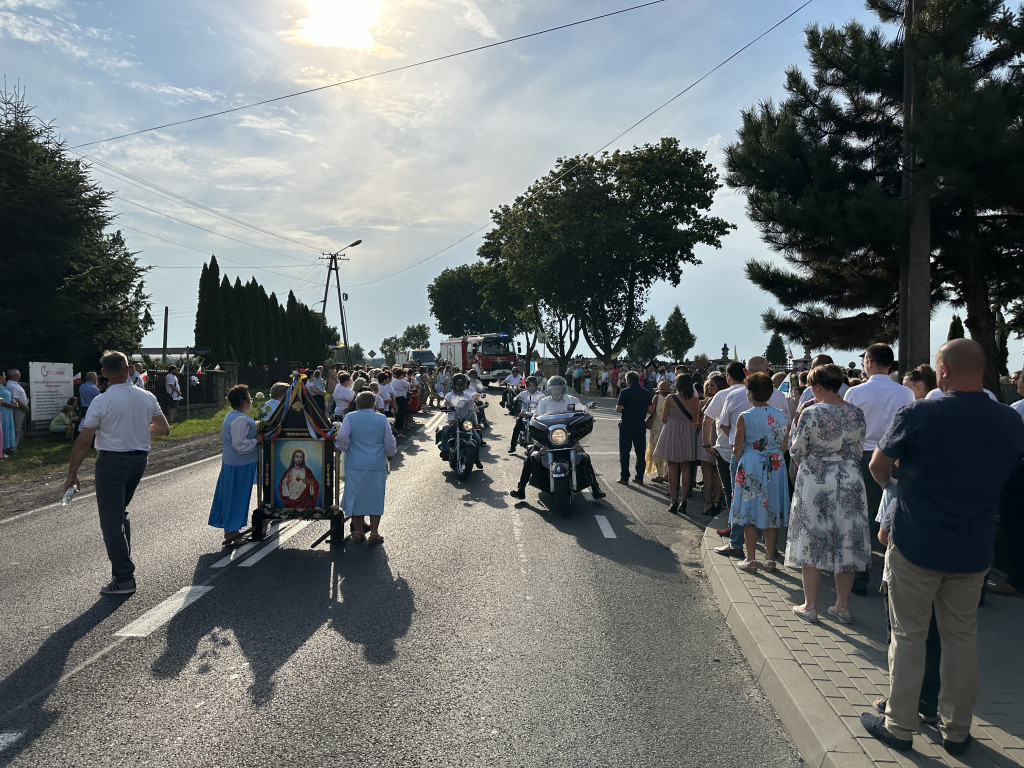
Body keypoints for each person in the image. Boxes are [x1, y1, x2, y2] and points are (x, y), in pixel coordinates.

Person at [859, 339, 1024, 755]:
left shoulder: (920, 412)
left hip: (917, 539)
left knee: (909, 635)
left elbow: (879, 465)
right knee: (961, 638)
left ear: (943, 371)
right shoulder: (1009, 421)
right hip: (973, 546)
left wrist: (892, 488)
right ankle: (957, 728)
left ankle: (899, 723)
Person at [63, 351, 170, 596]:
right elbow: (164, 429)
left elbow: (83, 440)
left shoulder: (101, 401)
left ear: (103, 373)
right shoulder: (147, 396)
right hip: (139, 460)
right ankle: (123, 567)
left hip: (112, 461)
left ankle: (123, 577)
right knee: (119, 513)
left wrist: (72, 473)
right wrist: (138, 432)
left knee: (110, 521)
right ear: (127, 370)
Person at [786, 364, 871, 623]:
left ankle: (810, 605)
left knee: (812, 536)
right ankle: (842, 606)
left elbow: (797, 450)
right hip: (849, 478)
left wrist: (814, 466)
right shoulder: (856, 413)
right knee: (846, 539)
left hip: (816, 478)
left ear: (818, 386)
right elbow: (858, 450)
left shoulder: (811, 412)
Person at [843, 343, 914, 595]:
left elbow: (848, 429)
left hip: (862, 455)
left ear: (870, 362)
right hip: (894, 457)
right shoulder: (905, 393)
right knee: (890, 516)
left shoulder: (855, 392)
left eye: (864, 362)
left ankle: (860, 575)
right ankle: (890, 576)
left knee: (860, 515)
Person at [730, 372, 790, 573]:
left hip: (752, 463)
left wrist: (747, 458)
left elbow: (737, 448)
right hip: (775, 463)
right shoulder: (782, 415)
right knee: (771, 509)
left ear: (750, 393)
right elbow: (784, 445)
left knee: (749, 509)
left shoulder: (745, 416)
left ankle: (751, 558)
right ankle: (770, 559)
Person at [509, 376, 606, 500]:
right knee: (530, 457)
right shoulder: (544, 402)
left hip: (568, 438)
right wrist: (530, 417)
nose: (556, 391)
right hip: (547, 439)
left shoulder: (572, 400)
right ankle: (521, 488)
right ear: (550, 389)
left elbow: (582, 411)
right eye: (554, 388)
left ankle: (596, 488)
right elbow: (536, 416)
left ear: (563, 389)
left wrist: (587, 414)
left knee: (585, 457)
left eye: (559, 388)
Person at [336, 390, 397, 544]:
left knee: (355, 496)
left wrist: (344, 447)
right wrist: (390, 453)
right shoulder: (381, 418)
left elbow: (342, 437)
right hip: (375, 463)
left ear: (357, 403)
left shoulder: (350, 417)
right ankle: (374, 532)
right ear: (373, 404)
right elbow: (389, 442)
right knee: (375, 497)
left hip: (355, 463)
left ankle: (357, 531)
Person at [208, 384, 264, 547]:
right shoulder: (239, 419)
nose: (251, 400)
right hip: (240, 463)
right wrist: (256, 440)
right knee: (236, 496)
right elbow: (240, 444)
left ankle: (233, 531)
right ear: (244, 401)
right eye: (249, 398)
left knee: (232, 495)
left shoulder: (234, 415)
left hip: (236, 462)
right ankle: (232, 532)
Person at [990, 370, 1024, 597]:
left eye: (1019, 378)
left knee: (1017, 528)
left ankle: (1017, 582)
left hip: (1019, 474)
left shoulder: (1019, 409)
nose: (1016, 381)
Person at [653, 374, 701, 514]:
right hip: (688, 432)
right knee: (686, 467)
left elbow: (664, 418)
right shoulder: (696, 400)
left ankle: (673, 500)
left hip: (673, 430)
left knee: (673, 467)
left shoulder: (670, 398)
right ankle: (684, 501)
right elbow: (696, 420)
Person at [615, 370, 654, 485]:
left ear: (628, 380)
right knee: (640, 452)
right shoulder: (646, 392)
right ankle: (639, 476)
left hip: (627, 423)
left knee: (624, 452)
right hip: (640, 423)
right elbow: (650, 410)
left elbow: (618, 408)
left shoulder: (625, 392)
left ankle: (624, 477)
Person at [698, 373, 726, 515]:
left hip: (712, 435)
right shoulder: (726, 397)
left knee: (710, 470)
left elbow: (704, 420)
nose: (708, 386)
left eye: (712, 384)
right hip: (718, 434)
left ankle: (710, 502)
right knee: (714, 471)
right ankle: (716, 501)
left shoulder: (713, 400)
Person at [508, 376, 544, 454]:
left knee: (543, 429)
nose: (531, 387)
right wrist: (516, 399)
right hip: (524, 413)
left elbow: (545, 399)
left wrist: (545, 401)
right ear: (527, 385)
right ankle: (513, 445)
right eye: (530, 385)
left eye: (533, 385)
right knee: (517, 428)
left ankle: (543, 446)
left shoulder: (540, 394)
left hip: (536, 415)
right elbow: (517, 397)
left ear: (536, 385)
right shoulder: (523, 393)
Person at [645, 380, 671, 484]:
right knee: (668, 451)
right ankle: (668, 474)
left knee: (655, 451)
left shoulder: (656, 397)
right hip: (668, 427)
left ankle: (660, 475)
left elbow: (651, 410)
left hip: (656, 427)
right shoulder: (672, 398)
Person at [5, 368, 29, 450]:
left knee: (18, 428)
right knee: (16, 428)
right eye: (19, 374)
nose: (20, 376)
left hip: (20, 409)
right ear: (15, 376)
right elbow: (16, 399)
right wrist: (25, 406)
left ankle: (14, 445)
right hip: (17, 409)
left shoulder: (15, 385)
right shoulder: (11, 385)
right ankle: (12, 447)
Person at [0, 372, 18, 455]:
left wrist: (13, 403)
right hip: (2, 411)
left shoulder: (2, 386)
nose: (5, 376)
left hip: (8, 411)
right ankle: (1, 451)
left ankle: (4, 448)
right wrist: (12, 405)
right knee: (2, 429)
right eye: (4, 375)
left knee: (6, 429)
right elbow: (1, 401)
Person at [390, 367, 410, 434]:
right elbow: (408, 385)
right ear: (401, 375)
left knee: (396, 414)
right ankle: (399, 431)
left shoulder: (393, 382)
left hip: (395, 399)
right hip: (402, 399)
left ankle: (395, 428)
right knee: (401, 415)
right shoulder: (402, 382)